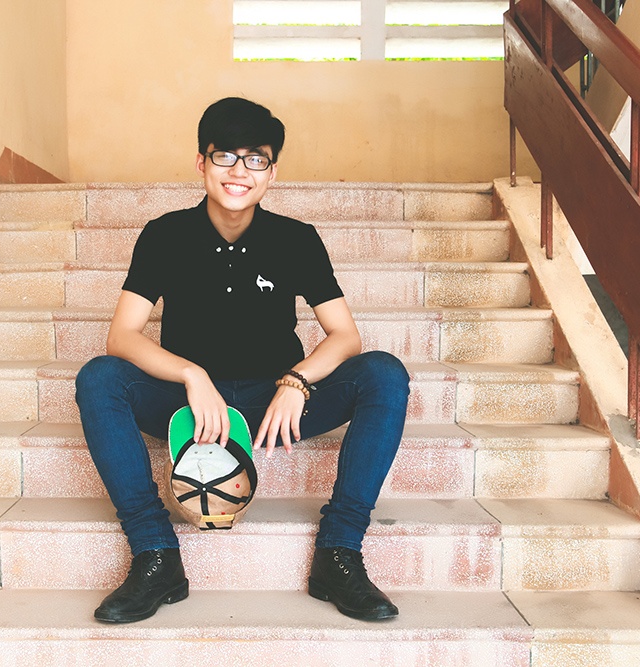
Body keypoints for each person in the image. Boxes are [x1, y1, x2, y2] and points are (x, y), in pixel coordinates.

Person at [74, 97, 410, 624]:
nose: (239, 171)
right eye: (225, 155)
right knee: (99, 378)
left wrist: (296, 381)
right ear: (201, 162)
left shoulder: (296, 239)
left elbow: (345, 336)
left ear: (272, 172)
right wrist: (191, 374)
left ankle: (339, 553)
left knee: (385, 374)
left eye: (255, 159)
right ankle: (155, 555)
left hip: (274, 406)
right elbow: (122, 335)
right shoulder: (165, 234)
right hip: (190, 409)